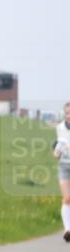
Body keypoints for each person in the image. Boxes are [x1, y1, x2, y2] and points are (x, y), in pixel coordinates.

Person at [54, 101, 70, 243]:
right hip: (64, 166)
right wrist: (56, 152)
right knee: (67, 198)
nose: (68, 115)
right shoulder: (59, 128)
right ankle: (67, 230)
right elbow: (57, 145)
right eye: (66, 113)